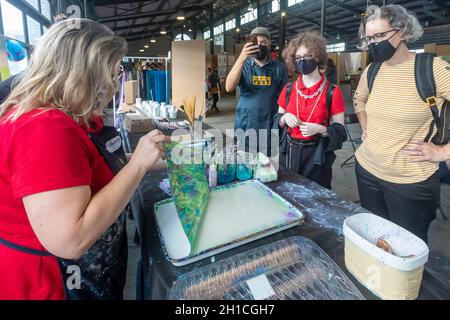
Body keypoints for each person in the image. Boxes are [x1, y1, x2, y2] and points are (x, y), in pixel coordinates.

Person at [0, 19, 168, 300]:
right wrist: (139, 163)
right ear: (84, 72)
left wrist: (163, 157)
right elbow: (71, 239)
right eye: (111, 76)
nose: (115, 88)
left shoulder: (69, 114)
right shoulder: (43, 129)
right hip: (52, 282)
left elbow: (93, 166)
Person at [354, 5, 450, 242]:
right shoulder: (372, 70)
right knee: (376, 238)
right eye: (369, 38)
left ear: (404, 31)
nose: (374, 43)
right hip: (367, 170)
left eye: (380, 35)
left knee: (407, 245)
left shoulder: (433, 69)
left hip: (410, 181)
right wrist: (366, 126)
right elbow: (359, 100)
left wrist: (443, 151)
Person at [275, 31, 347, 189]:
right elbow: (276, 120)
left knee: (317, 198)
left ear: (318, 57)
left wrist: (320, 129)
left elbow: (340, 131)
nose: (302, 60)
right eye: (298, 57)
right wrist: (284, 118)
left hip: (317, 156)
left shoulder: (332, 92)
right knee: (289, 192)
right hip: (289, 152)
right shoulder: (288, 89)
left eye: (308, 55)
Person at [226, 27, 288, 156]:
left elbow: (286, 96)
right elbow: (229, 87)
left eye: (263, 42)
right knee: (245, 160)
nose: (259, 46)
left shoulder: (279, 68)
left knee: (268, 161)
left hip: (269, 122)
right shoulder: (243, 66)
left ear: (269, 44)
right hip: (246, 122)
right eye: (256, 43)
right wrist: (241, 59)